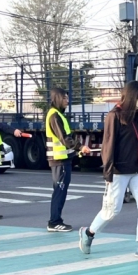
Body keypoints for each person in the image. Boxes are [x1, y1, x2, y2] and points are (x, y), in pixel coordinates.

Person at [78, 81, 138, 258]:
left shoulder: (136, 115)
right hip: (118, 171)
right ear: (131, 97)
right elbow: (108, 146)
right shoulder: (114, 116)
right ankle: (89, 233)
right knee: (112, 211)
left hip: (137, 169)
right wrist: (108, 173)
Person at [46, 87, 90, 232]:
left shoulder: (58, 114)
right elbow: (64, 139)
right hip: (59, 160)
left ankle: (55, 221)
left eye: (67, 98)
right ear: (57, 99)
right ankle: (54, 222)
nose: (67, 101)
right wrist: (80, 147)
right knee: (59, 191)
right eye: (64, 98)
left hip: (62, 159)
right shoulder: (54, 116)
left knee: (60, 191)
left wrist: (77, 149)